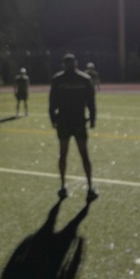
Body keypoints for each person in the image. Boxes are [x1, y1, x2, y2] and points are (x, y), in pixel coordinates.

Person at [49, 53, 97, 202]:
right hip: (78, 122)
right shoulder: (84, 79)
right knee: (84, 154)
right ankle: (89, 187)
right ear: (76, 63)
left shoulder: (58, 79)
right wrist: (92, 119)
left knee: (63, 153)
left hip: (64, 121)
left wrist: (53, 118)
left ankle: (63, 186)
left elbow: (52, 103)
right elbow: (91, 102)